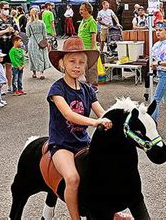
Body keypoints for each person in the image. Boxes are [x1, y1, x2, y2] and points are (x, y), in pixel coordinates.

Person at [47, 36, 112, 220]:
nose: (77, 66)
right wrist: (94, 123)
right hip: (62, 144)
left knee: (107, 172)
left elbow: (101, 112)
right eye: (72, 61)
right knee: (73, 178)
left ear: (85, 66)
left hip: (83, 142)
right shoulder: (57, 89)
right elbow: (68, 114)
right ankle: (75, 218)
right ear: (62, 64)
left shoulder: (87, 89)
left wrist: (114, 121)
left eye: (81, 62)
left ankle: (110, 212)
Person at [0, 1, 17, 92]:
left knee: (9, 66)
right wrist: (5, 30)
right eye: (5, 8)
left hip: (9, 43)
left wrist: (13, 31)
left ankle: (10, 86)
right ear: (0, 9)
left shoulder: (11, 18)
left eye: (8, 8)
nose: (7, 10)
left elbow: (17, 30)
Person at [77, 2, 98, 92]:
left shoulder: (91, 21)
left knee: (92, 68)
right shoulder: (83, 21)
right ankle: (88, 84)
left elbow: (93, 37)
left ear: (87, 10)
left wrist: (92, 50)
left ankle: (93, 86)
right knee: (86, 68)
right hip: (83, 48)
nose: (80, 11)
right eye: (80, 9)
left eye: (82, 9)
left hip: (90, 49)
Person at [26, 8, 51, 79]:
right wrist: (46, 41)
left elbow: (28, 34)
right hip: (41, 40)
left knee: (33, 57)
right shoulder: (41, 22)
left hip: (32, 41)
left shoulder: (29, 23)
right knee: (41, 56)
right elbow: (45, 33)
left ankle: (34, 73)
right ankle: (41, 73)